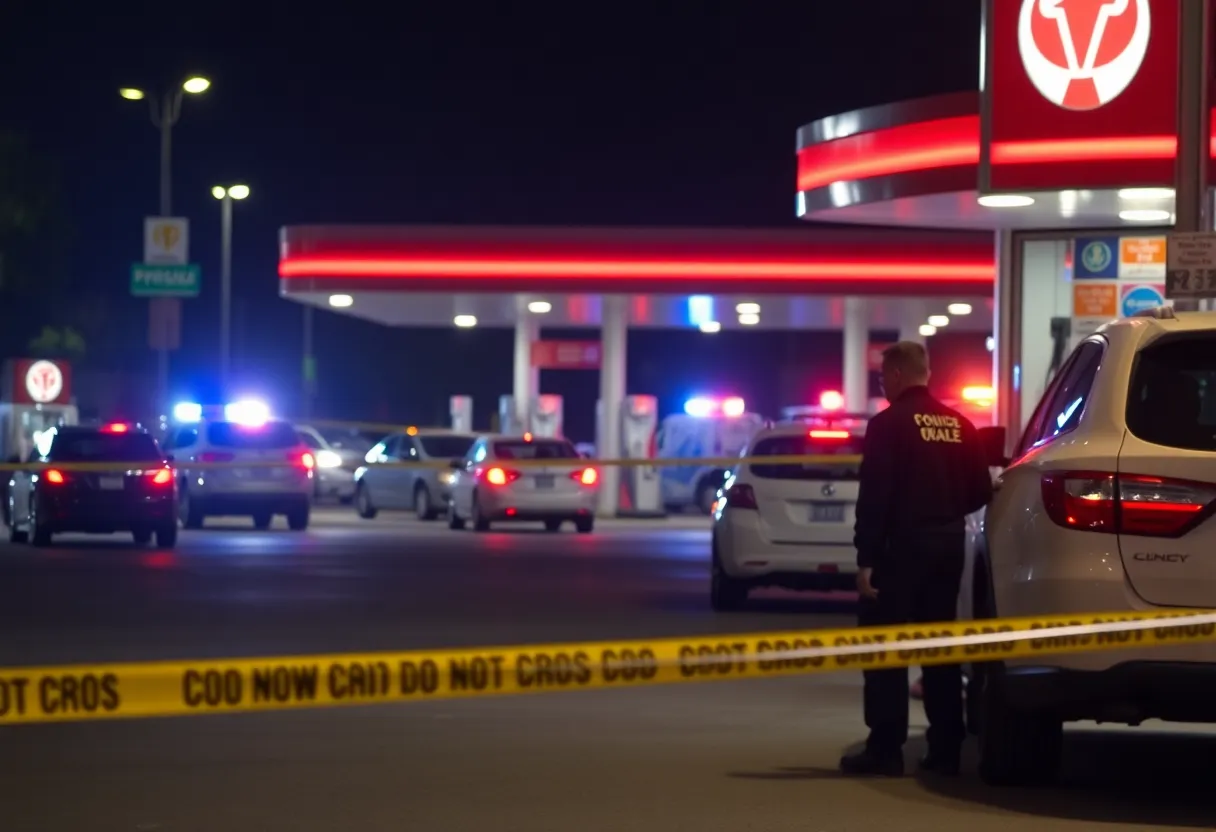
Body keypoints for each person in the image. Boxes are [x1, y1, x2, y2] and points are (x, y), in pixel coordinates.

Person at [839, 341, 994, 777]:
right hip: (947, 548)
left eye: (884, 377)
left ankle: (885, 749)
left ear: (898, 375)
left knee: (885, 649)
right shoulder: (960, 425)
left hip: (899, 550)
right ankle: (945, 750)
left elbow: (876, 497)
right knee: (939, 649)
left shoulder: (889, 425)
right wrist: (943, 509)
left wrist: (867, 557)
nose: (883, 385)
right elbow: (981, 492)